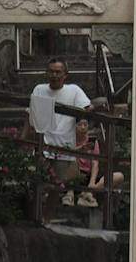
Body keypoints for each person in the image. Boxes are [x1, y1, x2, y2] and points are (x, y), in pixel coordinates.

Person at [28, 58, 91, 187]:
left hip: (63, 148)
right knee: (38, 185)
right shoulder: (39, 89)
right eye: (51, 72)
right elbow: (30, 114)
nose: (54, 75)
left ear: (65, 75)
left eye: (58, 72)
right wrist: (24, 138)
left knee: (58, 187)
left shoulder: (74, 91)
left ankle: (49, 208)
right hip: (42, 145)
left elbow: (87, 107)